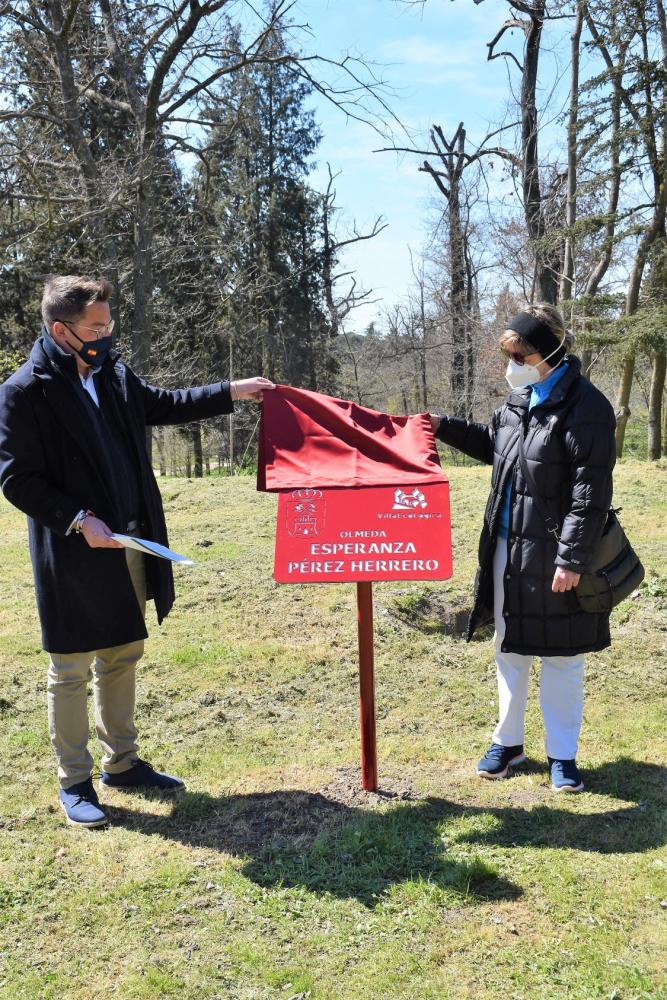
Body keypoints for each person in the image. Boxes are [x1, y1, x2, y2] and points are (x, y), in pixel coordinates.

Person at [0, 275, 274, 827]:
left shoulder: (113, 374)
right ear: (61, 331)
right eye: (96, 327)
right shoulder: (23, 391)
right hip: (75, 550)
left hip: (128, 539)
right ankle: (75, 781)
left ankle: (121, 763)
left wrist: (232, 391)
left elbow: (163, 405)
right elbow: (17, 479)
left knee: (123, 652)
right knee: (72, 667)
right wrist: (78, 520)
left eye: (109, 324)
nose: (107, 335)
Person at [431, 304, 616, 792]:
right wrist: (442, 426)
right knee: (508, 647)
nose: (509, 363)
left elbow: (590, 493)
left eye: (519, 353)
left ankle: (563, 756)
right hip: (506, 548)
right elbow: (497, 445)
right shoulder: (519, 398)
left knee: (563, 655)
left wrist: (571, 557)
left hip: (557, 554)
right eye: (506, 354)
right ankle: (508, 742)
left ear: (551, 351)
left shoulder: (588, 407)